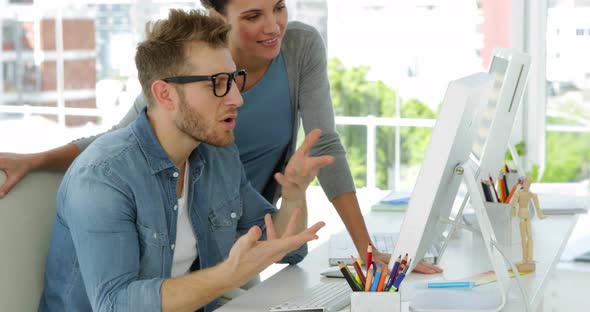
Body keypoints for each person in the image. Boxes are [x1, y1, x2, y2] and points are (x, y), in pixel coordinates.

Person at [0, 0, 441, 273]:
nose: (273, 26)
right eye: (252, 15)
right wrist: (35, 160)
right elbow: (120, 142)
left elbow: (322, 147)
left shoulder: (298, 49)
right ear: (218, 16)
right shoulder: (182, 75)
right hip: (188, 228)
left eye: (279, 7)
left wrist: (364, 248)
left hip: (239, 218)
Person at [38, 9, 330, 311]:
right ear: (165, 95)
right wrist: (227, 275)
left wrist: (294, 196)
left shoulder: (218, 155)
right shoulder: (103, 176)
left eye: (234, 79)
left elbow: (284, 250)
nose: (237, 98)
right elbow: (115, 303)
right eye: (217, 82)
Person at [509, 176, 546, 272]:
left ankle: (529, 258)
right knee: (523, 237)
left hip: (527, 215)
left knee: (530, 237)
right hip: (521, 215)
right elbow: (513, 204)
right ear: (523, 183)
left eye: (529, 184)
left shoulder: (531, 194)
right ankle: (525, 258)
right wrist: (513, 213)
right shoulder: (518, 194)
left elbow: (537, 206)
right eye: (526, 183)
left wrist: (540, 215)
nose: (527, 185)